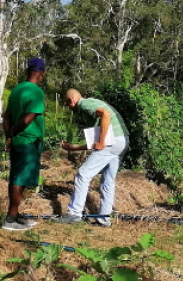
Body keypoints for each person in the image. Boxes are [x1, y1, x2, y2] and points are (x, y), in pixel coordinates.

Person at [51, 89, 129, 227]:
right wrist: (73, 148)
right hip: (122, 140)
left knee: (82, 175)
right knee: (107, 181)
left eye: (67, 104)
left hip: (113, 141)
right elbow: (97, 143)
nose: (69, 108)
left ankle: (74, 214)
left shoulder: (84, 104)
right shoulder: (92, 109)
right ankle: (104, 219)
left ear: (72, 101)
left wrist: (102, 141)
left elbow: (106, 114)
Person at [1, 58, 46, 232]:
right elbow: (28, 118)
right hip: (28, 141)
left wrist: (8, 136)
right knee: (19, 179)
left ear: (28, 71)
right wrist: (14, 133)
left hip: (19, 141)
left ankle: (15, 215)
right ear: (41, 74)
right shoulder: (37, 92)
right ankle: (10, 218)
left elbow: (7, 117)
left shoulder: (17, 90)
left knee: (17, 177)